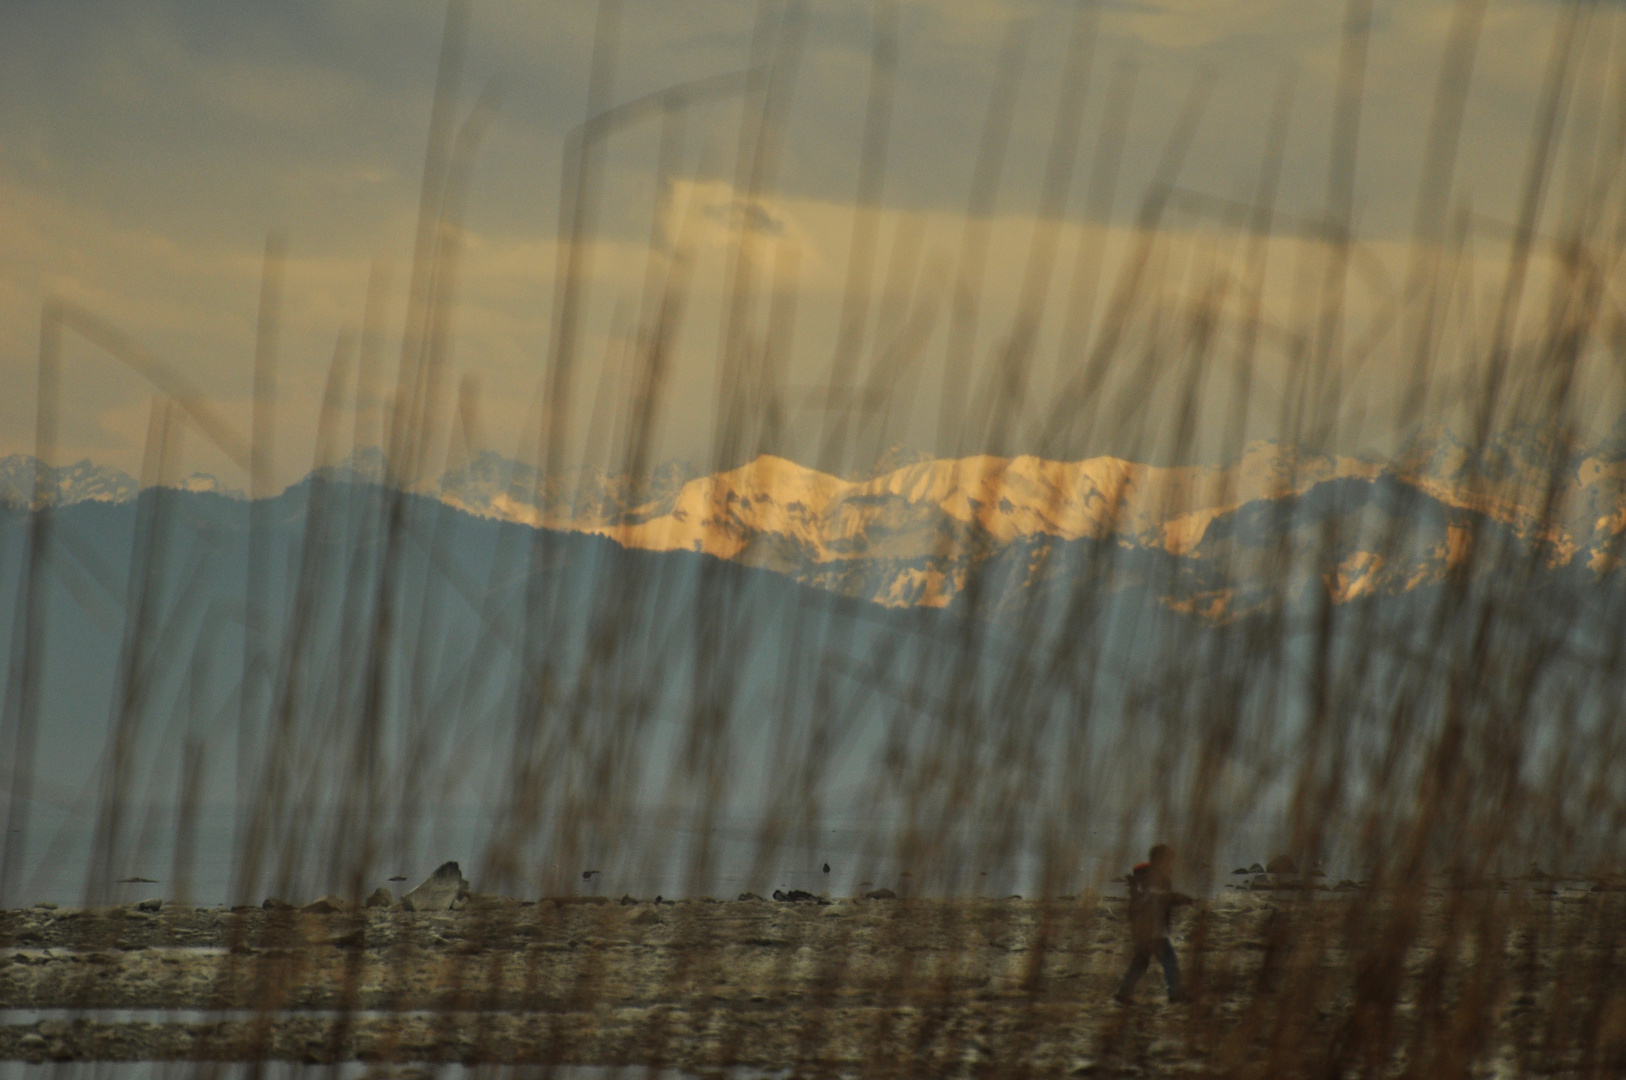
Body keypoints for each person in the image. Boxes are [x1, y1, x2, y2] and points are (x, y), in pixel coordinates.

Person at [1115, 843, 1194, 1004]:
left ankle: (1124, 994)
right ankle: (1175, 994)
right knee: (1170, 960)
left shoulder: (1143, 878)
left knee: (1141, 962)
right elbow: (1162, 898)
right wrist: (1182, 899)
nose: (1170, 864)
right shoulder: (1156, 878)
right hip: (1154, 930)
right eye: (1168, 861)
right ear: (1159, 860)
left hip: (1142, 929)